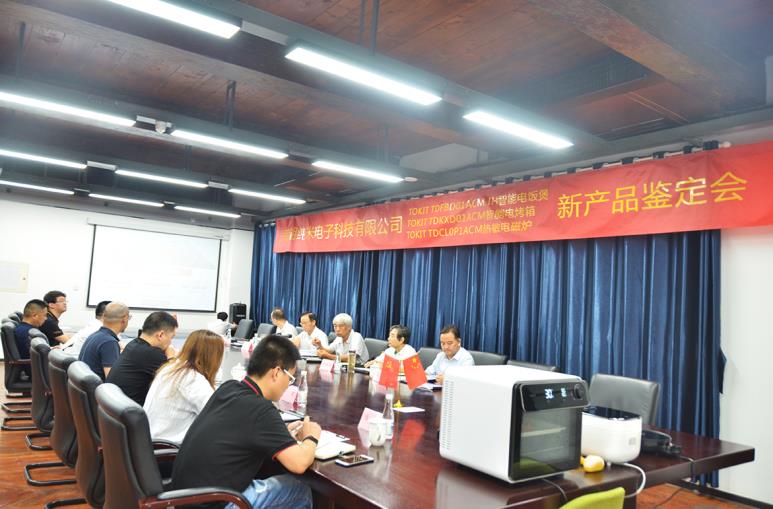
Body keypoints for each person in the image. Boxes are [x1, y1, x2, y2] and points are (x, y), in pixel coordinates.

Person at [171, 335, 320, 509]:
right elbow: (299, 463)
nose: (289, 385)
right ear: (276, 372)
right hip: (217, 502)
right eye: (291, 378)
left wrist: (281, 432)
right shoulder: (261, 409)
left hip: (183, 499)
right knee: (299, 489)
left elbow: (241, 430)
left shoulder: (229, 388)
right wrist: (311, 436)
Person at [143, 330, 224, 445]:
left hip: (150, 440)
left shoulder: (172, 367)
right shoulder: (193, 379)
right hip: (168, 449)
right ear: (213, 357)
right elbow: (218, 417)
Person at [106, 311, 178, 406]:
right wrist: (171, 357)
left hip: (115, 408)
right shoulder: (152, 354)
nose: (170, 342)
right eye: (171, 337)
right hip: (132, 411)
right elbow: (175, 380)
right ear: (160, 335)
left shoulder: (133, 344)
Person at [78, 302, 130, 380]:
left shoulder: (95, 335)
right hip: (98, 387)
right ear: (124, 320)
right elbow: (112, 380)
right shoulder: (109, 343)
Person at [13, 299, 48, 375]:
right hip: (36, 371)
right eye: (45, 315)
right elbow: (39, 355)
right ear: (35, 316)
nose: (46, 318)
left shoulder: (22, 329)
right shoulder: (29, 333)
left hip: (33, 367)